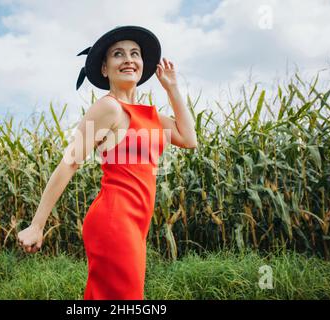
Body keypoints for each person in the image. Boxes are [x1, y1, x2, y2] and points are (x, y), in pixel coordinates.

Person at [17, 25, 198, 300]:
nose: (128, 59)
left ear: (142, 64)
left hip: (137, 222)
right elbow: (70, 162)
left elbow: (188, 138)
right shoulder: (108, 108)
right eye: (118, 54)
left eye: (135, 53)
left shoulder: (150, 115)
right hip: (114, 220)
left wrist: (172, 88)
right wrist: (37, 224)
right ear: (104, 68)